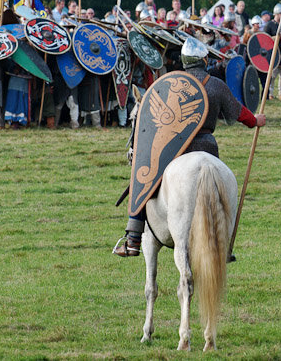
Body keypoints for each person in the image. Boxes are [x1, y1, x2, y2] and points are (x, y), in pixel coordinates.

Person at [113, 37, 265, 257]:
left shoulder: (171, 84)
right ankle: (223, 244)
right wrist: (256, 120)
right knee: (221, 191)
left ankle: (134, 238)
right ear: (203, 60)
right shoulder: (216, 85)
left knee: (144, 178)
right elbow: (238, 111)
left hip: (176, 149)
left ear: (184, 61)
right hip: (208, 147)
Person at [264, 4, 281, 100]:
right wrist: (276, 37)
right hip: (274, 54)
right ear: (276, 13)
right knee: (272, 76)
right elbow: (265, 39)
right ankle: (270, 93)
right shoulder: (270, 25)